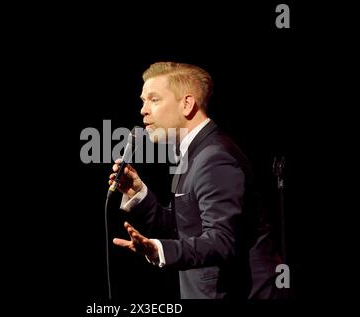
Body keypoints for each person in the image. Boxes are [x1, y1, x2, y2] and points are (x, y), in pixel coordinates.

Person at [108, 61, 282, 299]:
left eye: (154, 99)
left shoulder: (215, 157)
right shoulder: (195, 153)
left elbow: (221, 241)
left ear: (187, 104)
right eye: (143, 101)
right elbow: (186, 226)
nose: (143, 110)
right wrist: (138, 193)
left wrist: (158, 249)